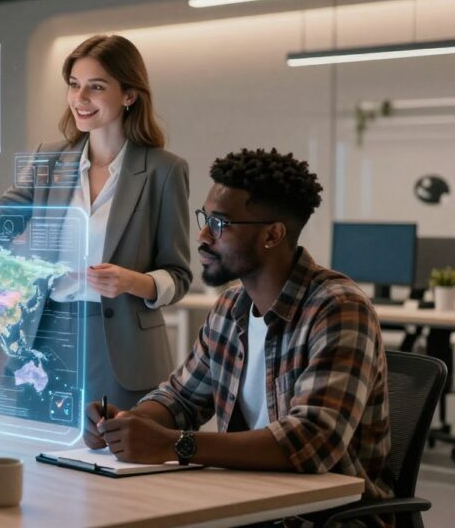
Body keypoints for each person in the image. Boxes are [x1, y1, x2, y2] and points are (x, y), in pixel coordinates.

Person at [84, 148, 392, 526]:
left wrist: (173, 444)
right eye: (205, 219)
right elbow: (181, 398)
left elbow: (311, 441)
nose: (202, 236)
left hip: (325, 518)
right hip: (250, 505)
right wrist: (126, 424)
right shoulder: (231, 306)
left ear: (272, 235)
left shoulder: (338, 308)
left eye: (219, 224)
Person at [0, 34, 192, 409]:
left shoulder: (164, 170)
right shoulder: (49, 161)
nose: (80, 98)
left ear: (129, 95)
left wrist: (131, 281)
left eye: (96, 87)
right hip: (47, 334)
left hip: (122, 345)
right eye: (74, 85)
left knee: (114, 443)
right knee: (40, 442)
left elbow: (178, 276)